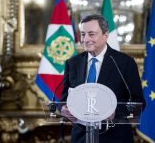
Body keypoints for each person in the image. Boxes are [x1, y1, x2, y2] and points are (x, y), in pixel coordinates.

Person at [60, 14, 145, 143]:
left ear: (105, 36)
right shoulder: (73, 63)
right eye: (83, 34)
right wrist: (63, 109)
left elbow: (139, 103)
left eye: (91, 34)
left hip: (115, 137)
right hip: (81, 138)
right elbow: (63, 99)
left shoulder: (124, 62)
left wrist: (115, 112)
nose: (85, 39)